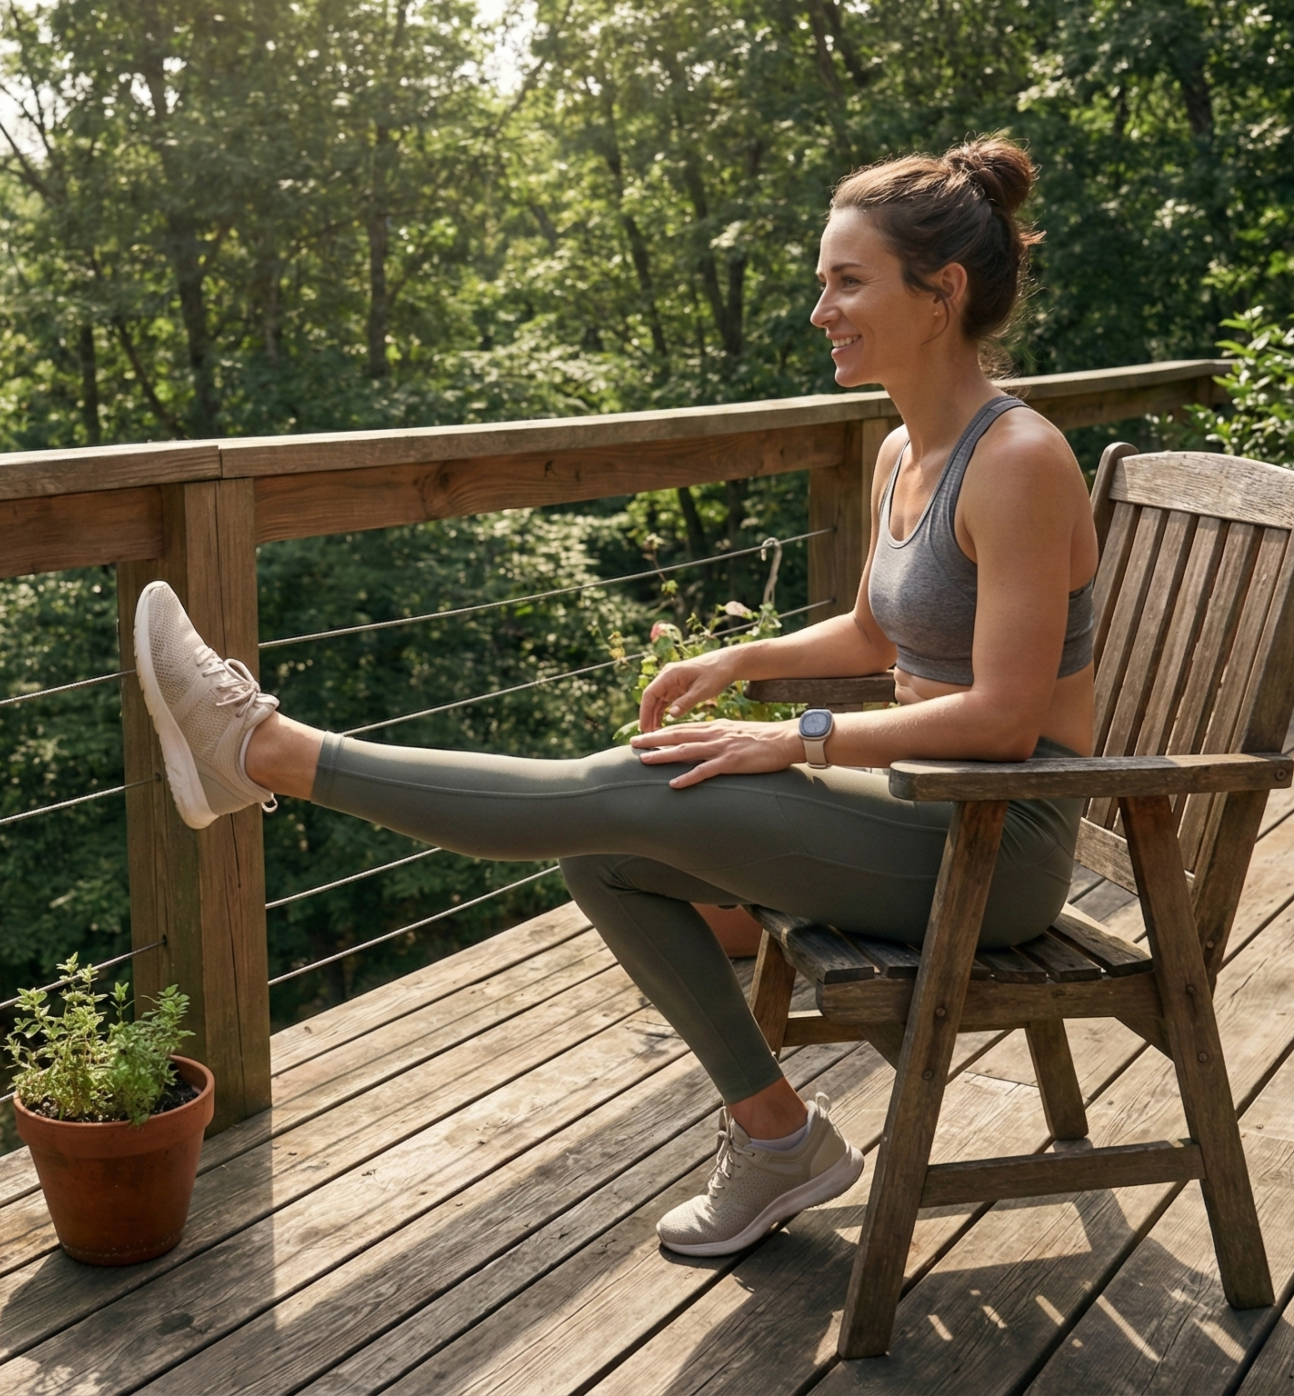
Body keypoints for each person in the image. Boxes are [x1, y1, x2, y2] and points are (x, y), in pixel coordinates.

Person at [130, 135, 1097, 1259]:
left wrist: (794, 739)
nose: (818, 309)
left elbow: (1002, 719)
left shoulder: (1021, 458)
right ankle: (777, 1137)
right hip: (912, 804)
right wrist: (743, 662)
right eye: (819, 280)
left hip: (996, 841)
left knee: (619, 792)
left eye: (846, 281)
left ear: (942, 294)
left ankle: (263, 749)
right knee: (603, 843)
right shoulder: (901, 452)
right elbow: (881, 631)